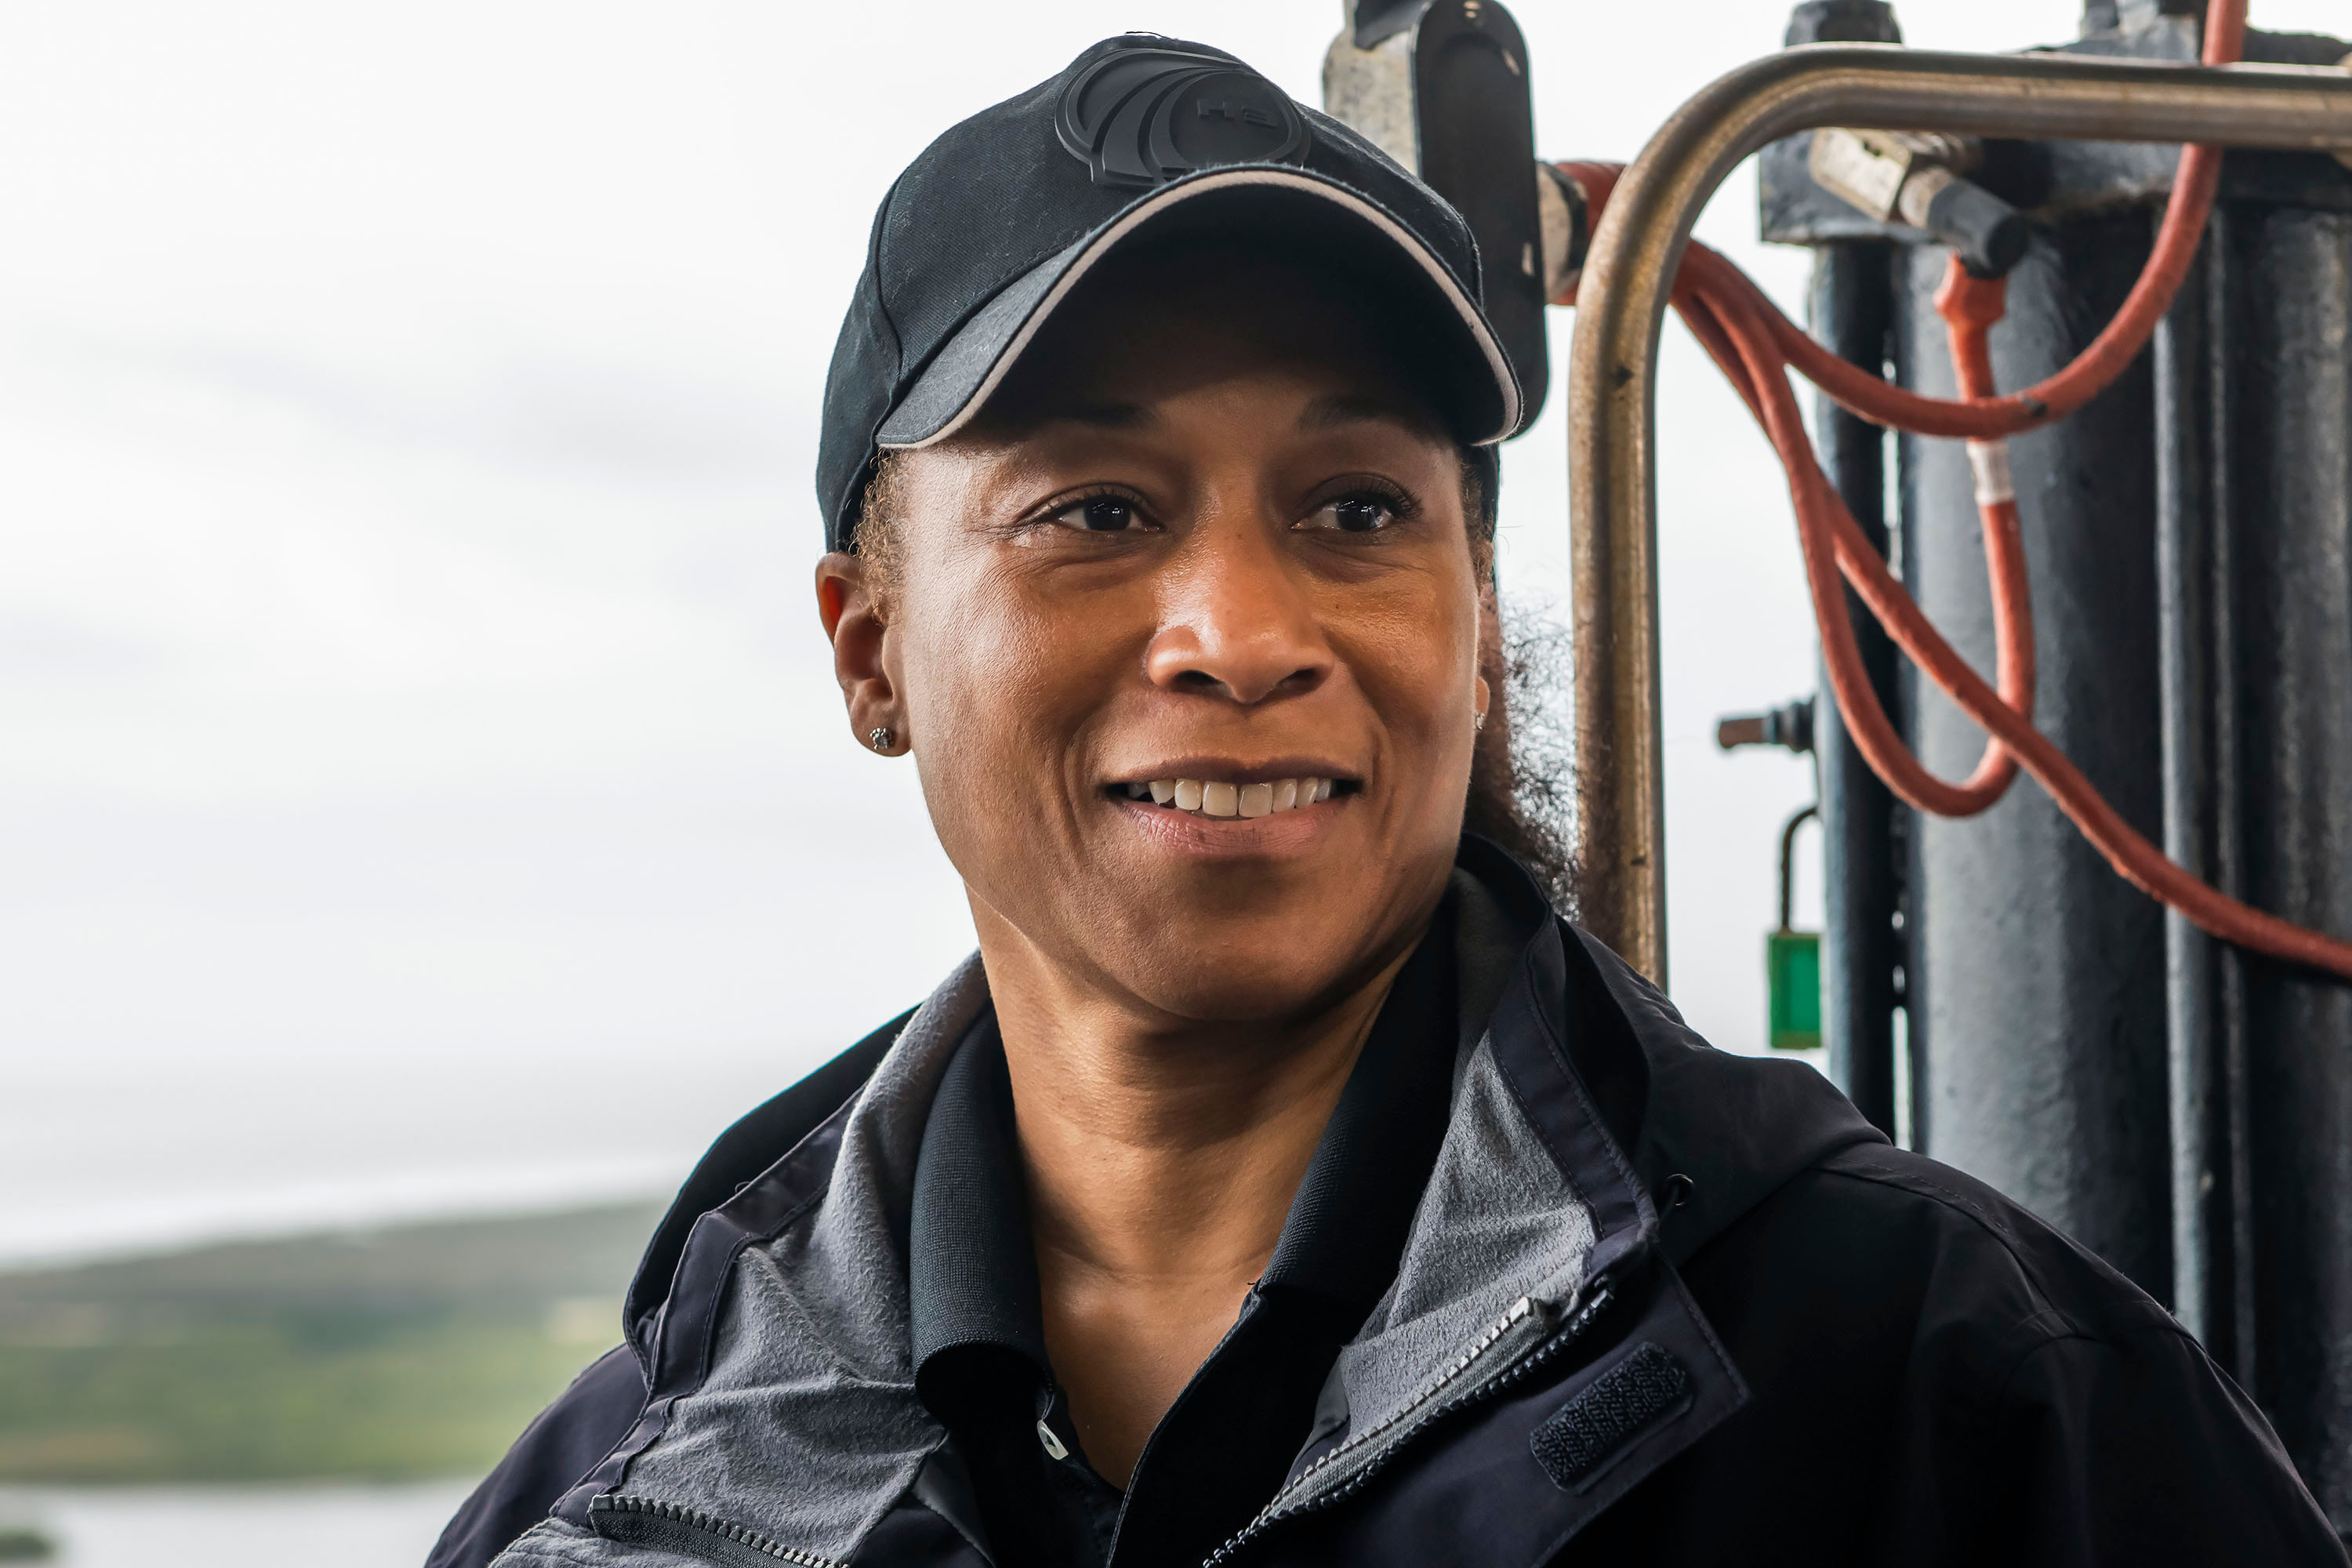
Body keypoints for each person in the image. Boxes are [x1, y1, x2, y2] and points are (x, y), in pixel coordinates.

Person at [430, 32, 2344, 1568]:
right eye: (1098, 511)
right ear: (870, 655)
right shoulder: (630, 1507)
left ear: (1469, 616)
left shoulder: (1951, 1401)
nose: (1244, 633)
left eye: (1356, 511)